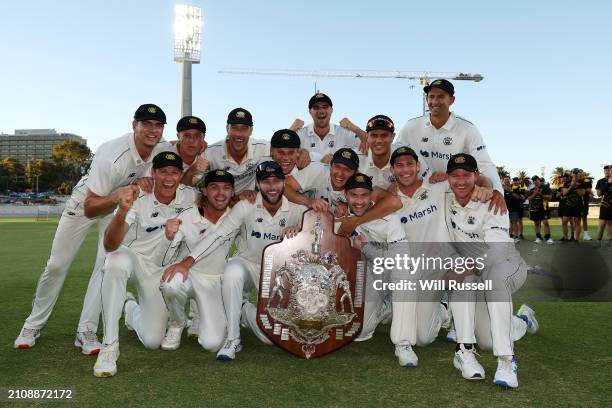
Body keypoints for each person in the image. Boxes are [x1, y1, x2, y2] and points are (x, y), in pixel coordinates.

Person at [14, 104, 173, 353]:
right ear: (134, 125)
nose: (153, 130)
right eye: (146, 124)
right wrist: (116, 197)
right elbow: (90, 207)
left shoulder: (163, 147)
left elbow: (178, 160)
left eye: (158, 125)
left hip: (117, 208)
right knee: (56, 265)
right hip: (87, 203)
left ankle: (86, 331)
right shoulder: (112, 154)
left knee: (105, 266)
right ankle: (32, 324)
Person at [162, 161, 307, 361]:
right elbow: (217, 235)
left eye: (276, 181)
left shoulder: (298, 211)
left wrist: (300, 231)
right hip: (247, 265)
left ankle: (243, 309)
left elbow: (320, 229)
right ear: (257, 184)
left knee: (268, 338)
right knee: (232, 270)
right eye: (266, 182)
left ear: (284, 183)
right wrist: (187, 262)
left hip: (278, 272)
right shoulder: (245, 207)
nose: (272, 187)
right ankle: (233, 339)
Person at [93, 152, 198, 377]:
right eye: (163, 172)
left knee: (152, 340)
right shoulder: (138, 196)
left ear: (180, 175)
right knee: (115, 261)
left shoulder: (190, 197)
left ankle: (130, 308)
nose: (169, 178)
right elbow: (110, 245)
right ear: (153, 173)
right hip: (136, 259)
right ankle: (109, 348)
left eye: (174, 172)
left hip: (163, 270)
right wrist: (121, 210)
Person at [443, 153, 538, 389]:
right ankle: (519, 321)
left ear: (477, 176)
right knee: (486, 340)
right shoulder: (445, 200)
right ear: (448, 178)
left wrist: (465, 266)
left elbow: (496, 251)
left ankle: (506, 361)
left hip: (506, 265)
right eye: (455, 175)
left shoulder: (494, 202)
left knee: (490, 279)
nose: (461, 181)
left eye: (467, 175)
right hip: (475, 272)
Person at [395, 79, 506, 213]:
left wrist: (497, 191)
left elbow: (485, 164)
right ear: (426, 99)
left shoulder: (467, 128)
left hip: (455, 197)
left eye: (441, 96)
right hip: (421, 198)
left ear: (451, 100)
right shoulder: (411, 126)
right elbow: (393, 152)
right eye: (431, 96)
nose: (435, 101)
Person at [158, 170, 235, 352]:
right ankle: (176, 323)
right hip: (190, 276)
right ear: (205, 191)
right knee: (172, 283)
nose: (220, 193)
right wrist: (168, 236)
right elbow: (165, 259)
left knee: (212, 344)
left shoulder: (236, 217)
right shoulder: (187, 215)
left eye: (226, 188)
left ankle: (200, 314)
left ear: (232, 192)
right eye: (214, 187)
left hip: (217, 281)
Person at [284, 148, 402, 235]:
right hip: (309, 225)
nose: (340, 173)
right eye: (337, 167)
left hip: (339, 233)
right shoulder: (317, 170)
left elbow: (395, 202)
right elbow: (285, 187)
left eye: (347, 170)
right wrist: (308, 201)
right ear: (330, 165)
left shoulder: (359, 183)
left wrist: (356, 220)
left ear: (356, 172)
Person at [290, 92, 366, 163]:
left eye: (325, 107)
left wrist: (355, 128)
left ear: (331, 110)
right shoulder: (301, 134)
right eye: (316, 107)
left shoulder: (342, 132)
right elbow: (280, 150)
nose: (321, 111)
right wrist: (290, 131)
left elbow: (371, 142)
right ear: (310, 112)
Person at [358, 115, 429, 189]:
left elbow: (428, 180)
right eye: (374, 135)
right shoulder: (357, 157)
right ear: (367, 136)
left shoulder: (408, 155)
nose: (379, 140)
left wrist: (401, 187)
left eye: (384, 135)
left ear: (393, 137)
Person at [527, 176, 554, 244]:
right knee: (536, 223)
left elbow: (550, 197)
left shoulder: (545, 188)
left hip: (544, 208)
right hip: (534, 209)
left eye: (536, 180)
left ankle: (548, 237)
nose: (535, 181)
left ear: (539, 180)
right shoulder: (531, 189)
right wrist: (535, 193)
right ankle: (538, 237)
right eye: (533, 180)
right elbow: (529, 199)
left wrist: (540, 194)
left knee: (545, 222)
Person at [595, 165, 612, 246]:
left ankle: (611, 240)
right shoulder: (600, 181)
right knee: (602, 224)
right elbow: (599, 194)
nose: (607, 172)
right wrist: (608, 183)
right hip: (605, 204)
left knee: (610, 224)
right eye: (606, 170)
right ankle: (598, 241)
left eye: (609, 170)